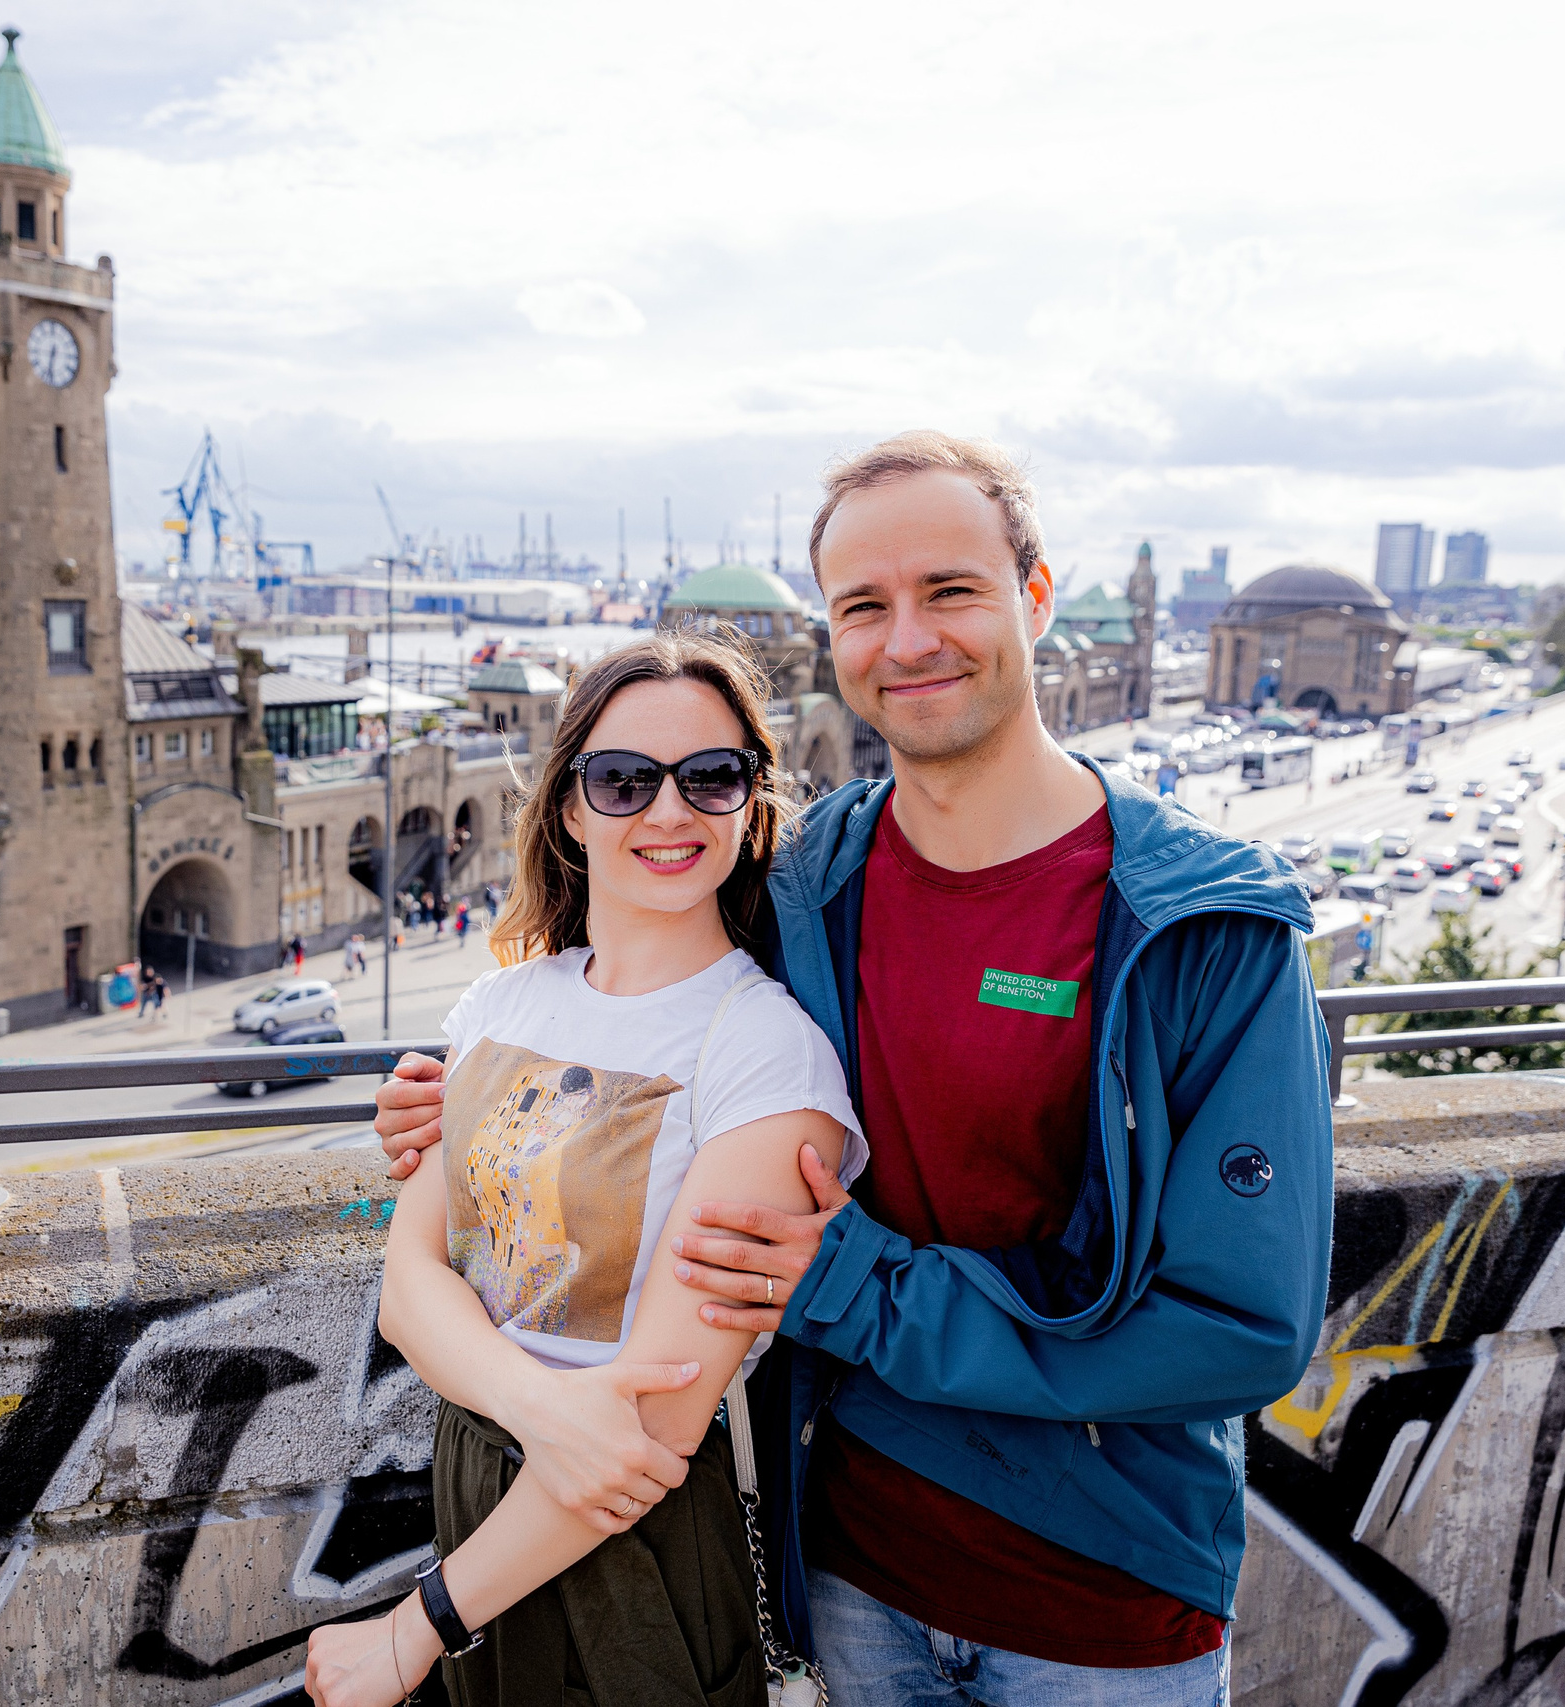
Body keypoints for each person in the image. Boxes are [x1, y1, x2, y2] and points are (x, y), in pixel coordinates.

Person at [376, 431, 1331, 1703]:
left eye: (950, 592)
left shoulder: (1200, 929)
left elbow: (1243, 1330)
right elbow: (640, 1012)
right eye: (863, 607)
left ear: (1033, 600)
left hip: (1097, 1605)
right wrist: (476, 1100)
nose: (909, 639)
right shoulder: (803, 884)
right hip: (848, 1582)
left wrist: (858, 1288)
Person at [309, 631, 863, 1707]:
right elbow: (408, 1288)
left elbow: (655, 1421)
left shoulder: (765, 1050)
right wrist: (550, 1410)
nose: (668, 812)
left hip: (639, 1538)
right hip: (485, 1476)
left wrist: (417, 1626)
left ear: (751, 806)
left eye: (711, 777)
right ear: (569, 806)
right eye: (623, 781)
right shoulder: (500, 1003)